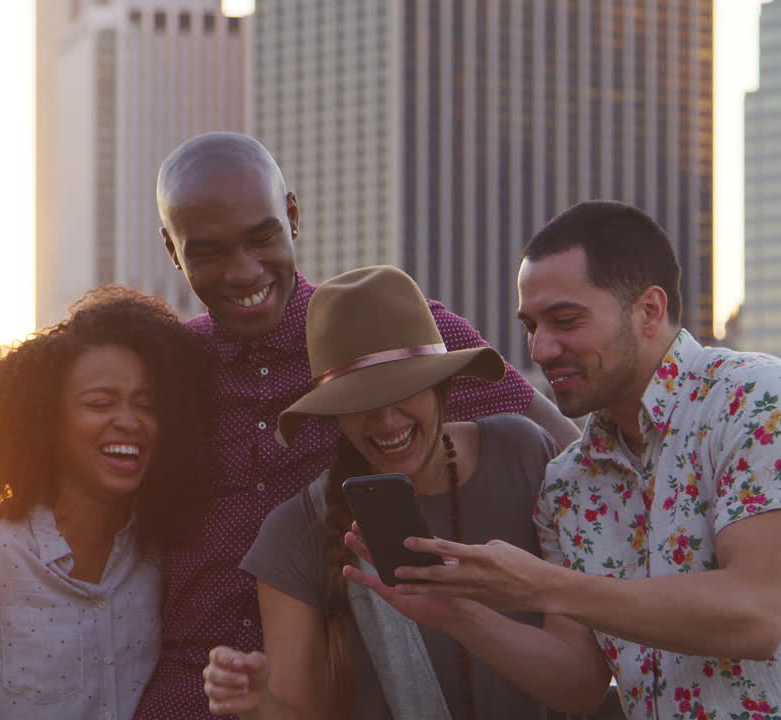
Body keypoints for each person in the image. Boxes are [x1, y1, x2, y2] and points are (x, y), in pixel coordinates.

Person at [344, 201, 781, 719]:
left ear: (649, 310)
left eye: (565, 321)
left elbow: (754, 612)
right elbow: (580, 684)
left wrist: (541, 585)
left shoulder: (762, 400)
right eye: (531, 326)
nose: (539, 349)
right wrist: (457, 614)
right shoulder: (567, 485)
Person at [132, 132, 581, 718]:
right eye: (209, 251)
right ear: (172, 249)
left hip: (349, 692)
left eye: (261, 237)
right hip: (187, 698)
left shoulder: (403, 339)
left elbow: (580, 466)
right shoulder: (162, 368)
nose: (243, 271)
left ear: (292, 216)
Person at [202, 265, 561, 720]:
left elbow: (581, 689)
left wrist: (458, 616)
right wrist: (259, 704)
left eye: (404, 390)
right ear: (335, 413)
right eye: (360, 402)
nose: (387, 422)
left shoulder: (524, 455)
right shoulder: (294, 534)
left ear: (442, 385)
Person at [0, 287, 214, 720]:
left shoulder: (162, 553)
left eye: (146, 405)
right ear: (47, 420)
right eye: (100, 403)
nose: (129, 420)